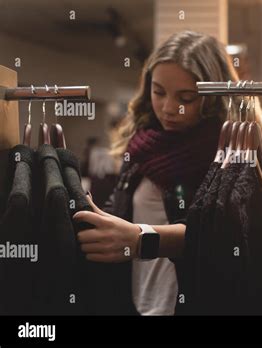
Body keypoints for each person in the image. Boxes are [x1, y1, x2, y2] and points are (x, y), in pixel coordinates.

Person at [73, 31, 241, 315]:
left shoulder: (230, 155)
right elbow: (122, 218)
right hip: (135, 305)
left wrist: (142, 240)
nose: (167, 108)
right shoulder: (140, 148)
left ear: (213, 98)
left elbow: (229, 239)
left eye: (186, 97)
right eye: (159, 91)